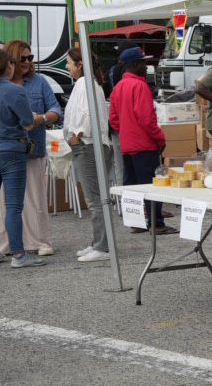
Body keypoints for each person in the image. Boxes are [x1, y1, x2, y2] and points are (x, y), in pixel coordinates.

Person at [0, 46, 48, 269]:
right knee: (13, 206)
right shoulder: (15, 91)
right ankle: (19, 255)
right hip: (9, 151)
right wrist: (37, 117)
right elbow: (28, 123)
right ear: (9, 66)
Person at [0, 40, 60, 256]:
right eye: (23, 58)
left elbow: (56, 109)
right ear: (10, 61)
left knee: (35, 198)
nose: (28, 62)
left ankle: (38, 241)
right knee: (3, 201)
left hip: (32, 150)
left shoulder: (39, 82)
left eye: (30, 57)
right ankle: (5, 243)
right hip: (5, 151)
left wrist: (42, 118)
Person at [63, 43, 115, 263]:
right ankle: (98, 242)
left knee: (96, 199)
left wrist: (77, 135)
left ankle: (103, 246)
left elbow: (85, 114)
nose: (67, 67)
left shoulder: (85, 84)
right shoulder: (89, 83)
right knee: (96, 197)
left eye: (68, 63)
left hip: (88, 144)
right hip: (90, 144)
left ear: (80, 64)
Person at [109, 47, 170, 232]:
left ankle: (136, 223)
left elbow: (113, 118)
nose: (146, 66)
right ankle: (156, 223)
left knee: (131, 186)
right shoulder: (140, 86)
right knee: (151, 185)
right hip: (144, 145)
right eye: (143, 62)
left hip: (128, 144)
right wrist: (160, 138)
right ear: (135, 64)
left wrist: (127, 132)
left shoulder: (118, 87)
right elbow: (146, 119)